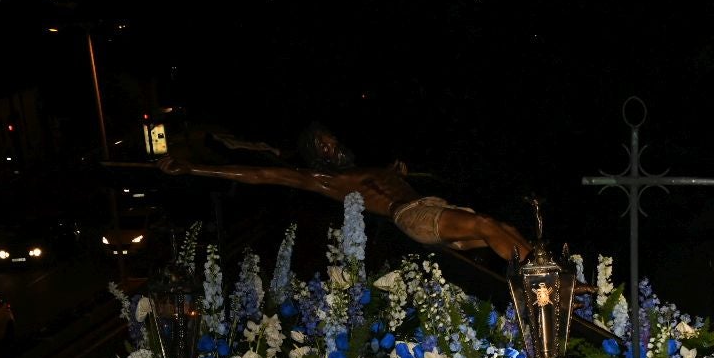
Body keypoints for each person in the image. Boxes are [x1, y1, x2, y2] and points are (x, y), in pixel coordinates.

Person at [159, 135, 532, 264]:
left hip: (428, 205)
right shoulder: (327, 180)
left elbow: (385, 182)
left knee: (501, 229)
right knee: (486, 224)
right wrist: (194, 168)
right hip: (415, 216)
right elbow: (262, 174)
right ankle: (545, 279)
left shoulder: (366, 169)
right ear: (316, 154)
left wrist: (395, 173)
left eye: (333, 139)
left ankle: (547, 271)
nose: (334, 145)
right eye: (325, 144)